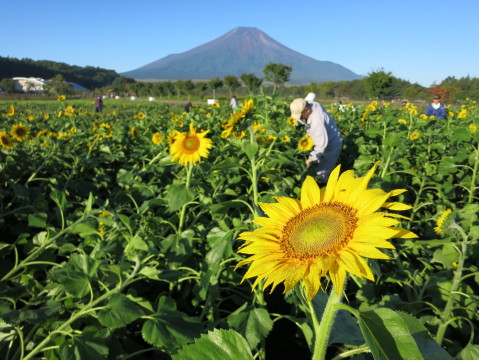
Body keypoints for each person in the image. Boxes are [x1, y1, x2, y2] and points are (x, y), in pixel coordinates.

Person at [290, 98, 343, 183]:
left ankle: (323, 188)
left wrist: (311, 159)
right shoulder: (310, 104)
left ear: (307, 110)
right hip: (319, 140)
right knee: (317, 167)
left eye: (300, 115)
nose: (300, 118)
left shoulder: (317, 121)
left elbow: (321, 145)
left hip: (331, 144)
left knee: (322, 172)